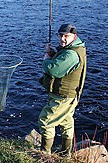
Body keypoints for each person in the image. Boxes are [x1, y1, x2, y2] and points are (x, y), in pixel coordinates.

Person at [38, 24, 87, 156]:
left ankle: (44, 153)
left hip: (63, 97)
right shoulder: (73, 49)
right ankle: (66, 153)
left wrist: (46, 60)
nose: (63, 39)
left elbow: (54, 70)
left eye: (66, 36)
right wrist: (53, 53)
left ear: (74, 36)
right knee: (66, 123)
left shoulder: (71, 54)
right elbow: (63, 60)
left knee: (46, 121)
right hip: (70, 96)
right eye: (61, 35)